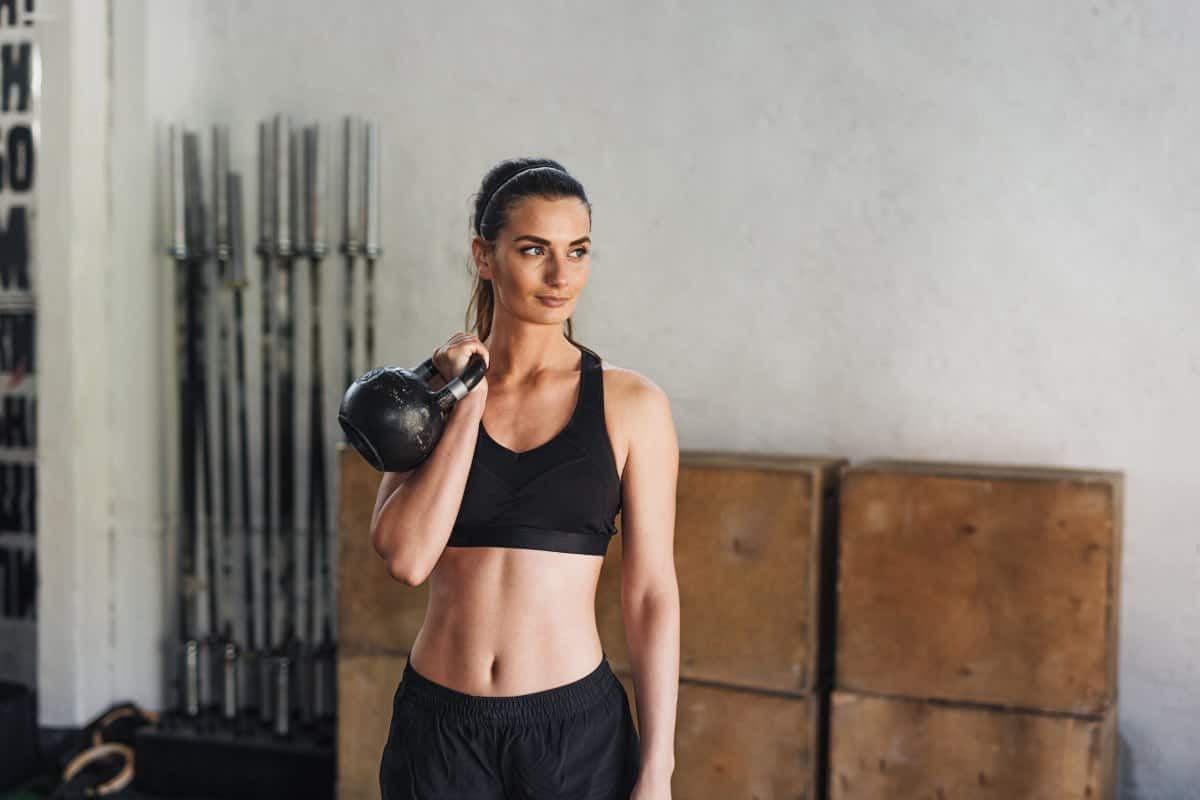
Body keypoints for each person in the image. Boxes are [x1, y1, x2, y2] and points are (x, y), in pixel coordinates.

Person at [372, 157, 680, 799]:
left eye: (578, 251)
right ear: (485, 256)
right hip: (440, 731)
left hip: (571, 735)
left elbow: (650, 594)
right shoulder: (428, 397)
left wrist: (658, 769)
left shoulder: (633, 405)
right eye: (534, 249)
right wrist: (467, 401)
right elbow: (406, 557)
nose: (560, 275)